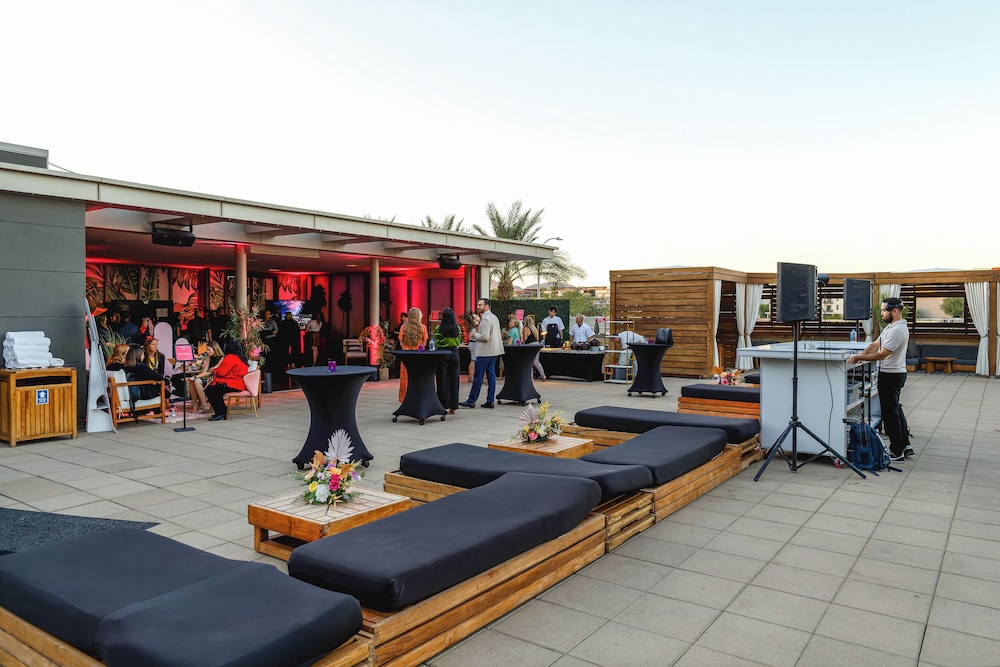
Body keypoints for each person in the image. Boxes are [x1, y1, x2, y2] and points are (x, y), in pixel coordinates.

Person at [848, 297, 913, 461]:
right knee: (896, 409)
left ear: (894, 311)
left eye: (884, 310)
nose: (882, 313)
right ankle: (905, 444)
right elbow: (876, 344)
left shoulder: (898, 330)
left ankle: (897, 451)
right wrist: (861, 355)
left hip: (891, 375)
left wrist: (857, 358)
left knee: (890, 414)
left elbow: (882, 354)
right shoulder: (891, 327)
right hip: (892, 373)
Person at [461, 298, 502, 409]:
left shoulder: (486, 319)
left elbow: (485, 337)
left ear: (486, 306)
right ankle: (490, 400)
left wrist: (474, 335)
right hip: (494, 351)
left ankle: (471, 400)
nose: (478, 307)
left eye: (480, 305)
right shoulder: (494, 317)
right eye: (478, 305)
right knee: (491, 376)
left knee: (478, 377)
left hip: (485, 352)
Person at [206, 340, 250, 421]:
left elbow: (221, 372)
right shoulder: (240, 358)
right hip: (237, 384)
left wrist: (214, 370)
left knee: (211, 390)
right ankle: (222, 411)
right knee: (214, 390)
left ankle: (221, 412)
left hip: (232, 384)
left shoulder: (230, 357)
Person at [433, 308, 463, 414]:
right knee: (454, 380)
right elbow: (459, 341)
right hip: (454, 353)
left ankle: (443, 405)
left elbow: (436, 342)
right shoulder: (457, 328)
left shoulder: (439, 328)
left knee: (442, 380)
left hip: (442, 354)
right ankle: (453, 407)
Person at [398, 307, 429, 402]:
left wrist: (405, 349)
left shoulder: (403, 327)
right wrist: (420, 350)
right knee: (418, 376)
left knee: (405, 377)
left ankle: (405, 398)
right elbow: (424, 342)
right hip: (418, 355)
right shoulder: (423, 328)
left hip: (406, 355)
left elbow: (401, 340)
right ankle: (418, 397)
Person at [187, 341, 224, 413]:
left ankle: (204, 405)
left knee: (197, 381)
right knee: (192, 381)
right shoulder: (209, 357)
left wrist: (195, 377)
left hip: (215, 380)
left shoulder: (222, 358)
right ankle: (195, 404)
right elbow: (205, 371)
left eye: (209, 349)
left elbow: (211, 372)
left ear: (215, 349)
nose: (207, 351)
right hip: (208, 379)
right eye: (207, 350)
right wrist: (195, 377)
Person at [522, 314, 546, 380]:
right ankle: (543, 375)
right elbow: (537, 339)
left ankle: (530, 377)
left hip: (530, 345)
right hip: (536, 345)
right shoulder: (534, 329)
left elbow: (524, 339)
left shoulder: (525, 328)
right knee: (536, 361)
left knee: (529, 361)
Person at [467, 312, 480, 382]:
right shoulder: (475, 327)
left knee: (473, 359)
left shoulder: (471, 327)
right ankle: (471, 377)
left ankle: (471, 376)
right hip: (474, 344)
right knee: (473, 360)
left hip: (472, 343)